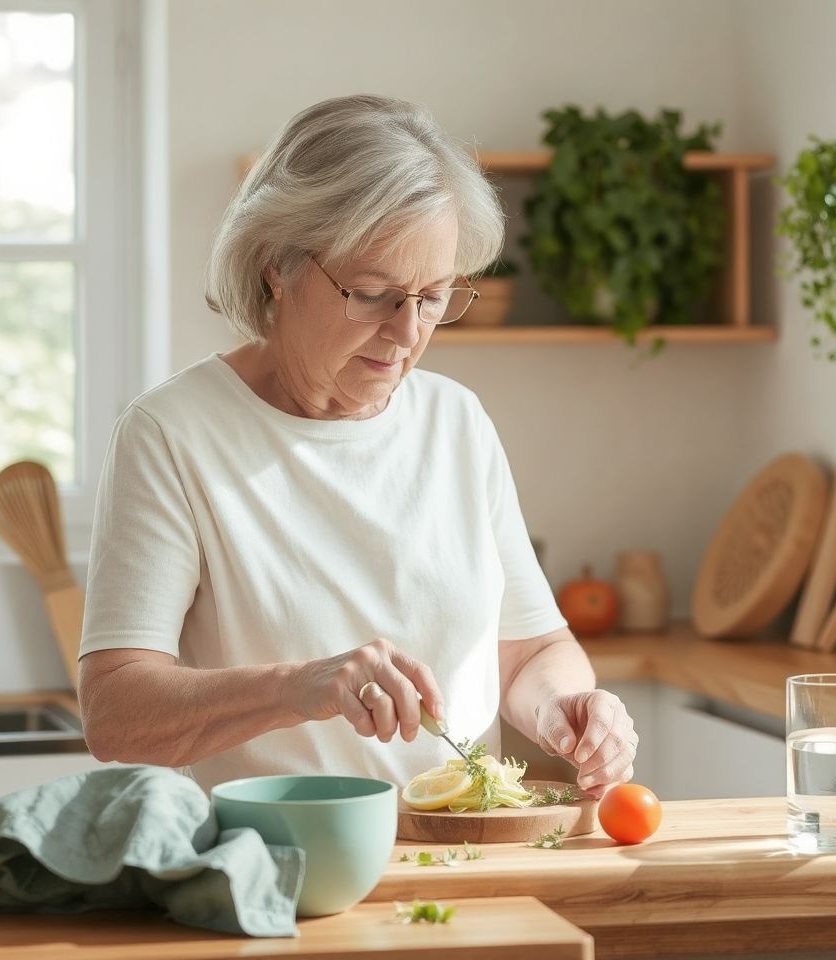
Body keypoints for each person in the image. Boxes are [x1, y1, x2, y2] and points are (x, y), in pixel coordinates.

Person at [78, 94, 637, 798]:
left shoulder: (456, 423)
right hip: (274, 873)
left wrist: (564, 709)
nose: (407, 334)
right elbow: (114, 714)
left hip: (459, 861)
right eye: (373, 294)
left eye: (433, 297)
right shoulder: (173, 435)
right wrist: (298, 688)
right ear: (277, 265)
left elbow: (530, 651)